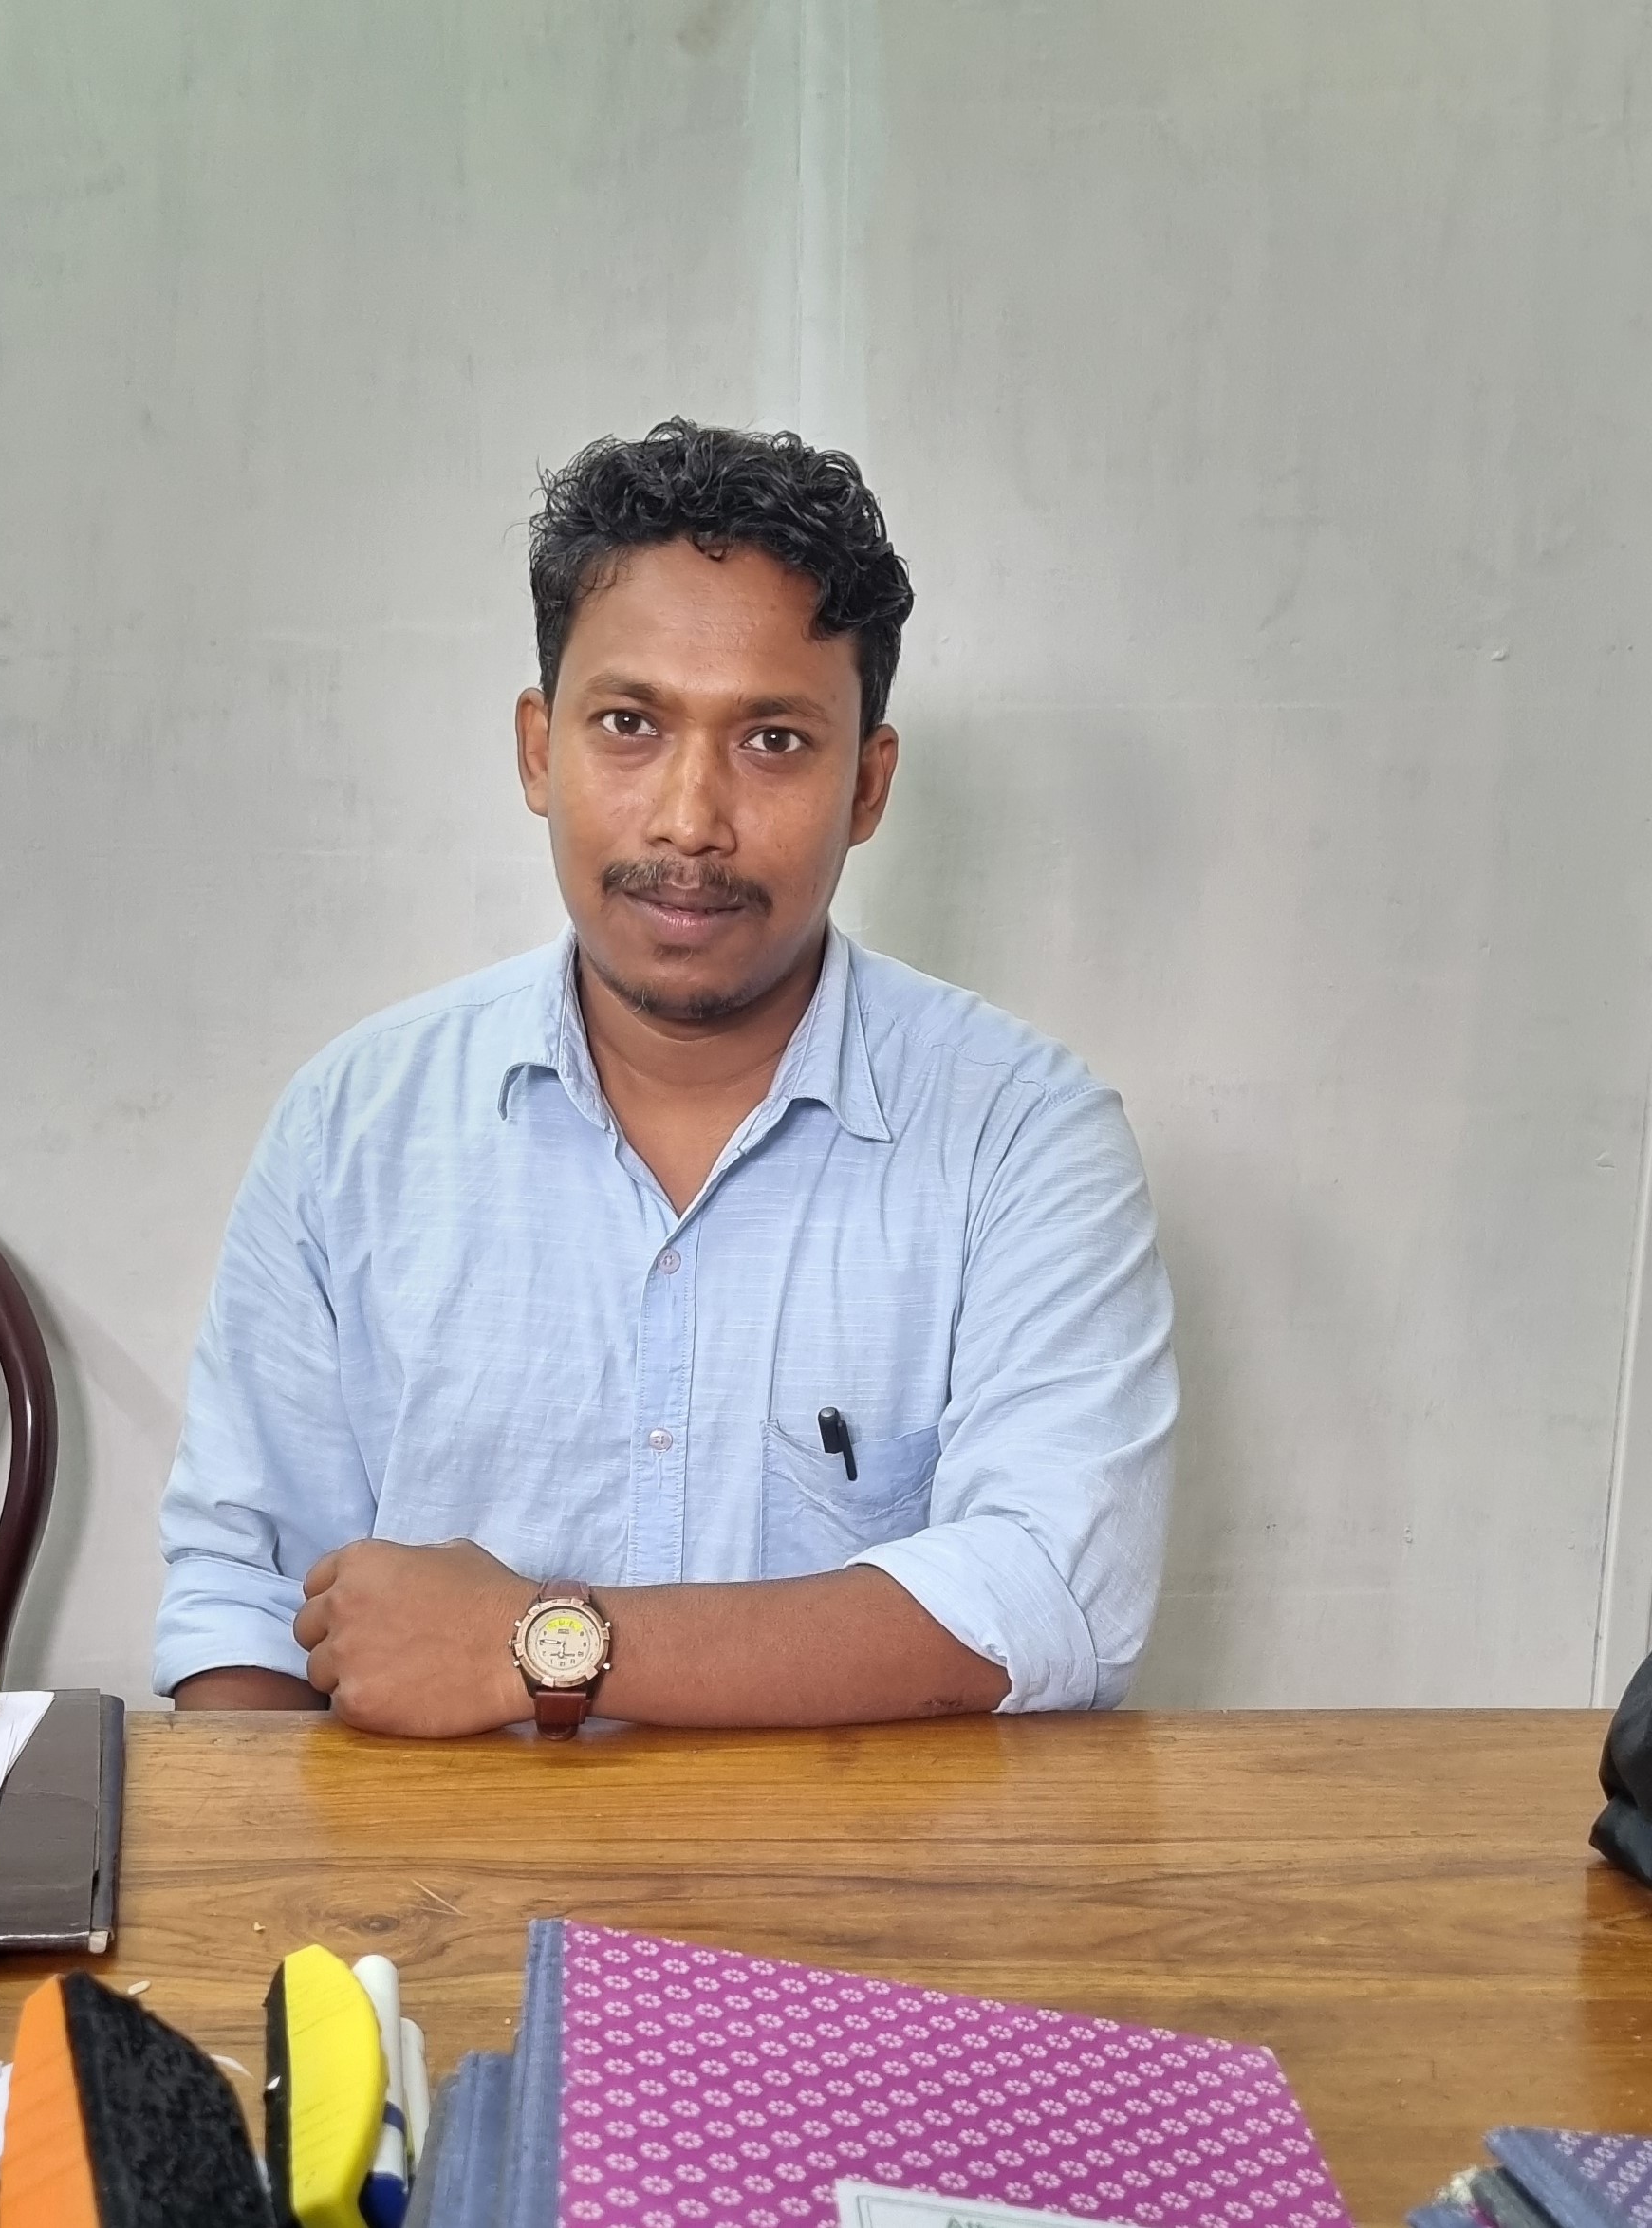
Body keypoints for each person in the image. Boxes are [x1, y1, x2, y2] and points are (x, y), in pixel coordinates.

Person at [155, 418, 1177, 1737]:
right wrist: (279, 1870)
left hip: (859, 1867)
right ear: (539, 750)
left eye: (774, 741)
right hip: (430, 1869)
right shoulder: (353, 1126)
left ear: (868, 786)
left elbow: (1051, 1594)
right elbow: (243, 1602)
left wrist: (537, 1643)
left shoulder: (1022, 1135)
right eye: (629, 724)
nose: (691, 819)